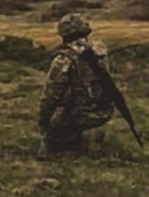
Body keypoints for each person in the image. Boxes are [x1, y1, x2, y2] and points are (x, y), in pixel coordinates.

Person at [37, 13, 114, 158]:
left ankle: (67, 146)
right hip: (104, 112)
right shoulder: (100, 52)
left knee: (54, 131)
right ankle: (89, 136)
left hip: (77, 115)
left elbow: (50, 97)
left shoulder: (63, 60)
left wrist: (44, 122)